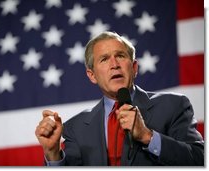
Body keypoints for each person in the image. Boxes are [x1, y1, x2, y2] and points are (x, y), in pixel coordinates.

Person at [35, 31, 204, 166]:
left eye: (121, 56)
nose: (114, 64)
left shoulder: (173, 106)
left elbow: (200, 160)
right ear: (92, 75)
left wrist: (148, 136)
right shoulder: (75, 128)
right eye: (104, 59)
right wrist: (52, 154)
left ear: (134, 68)